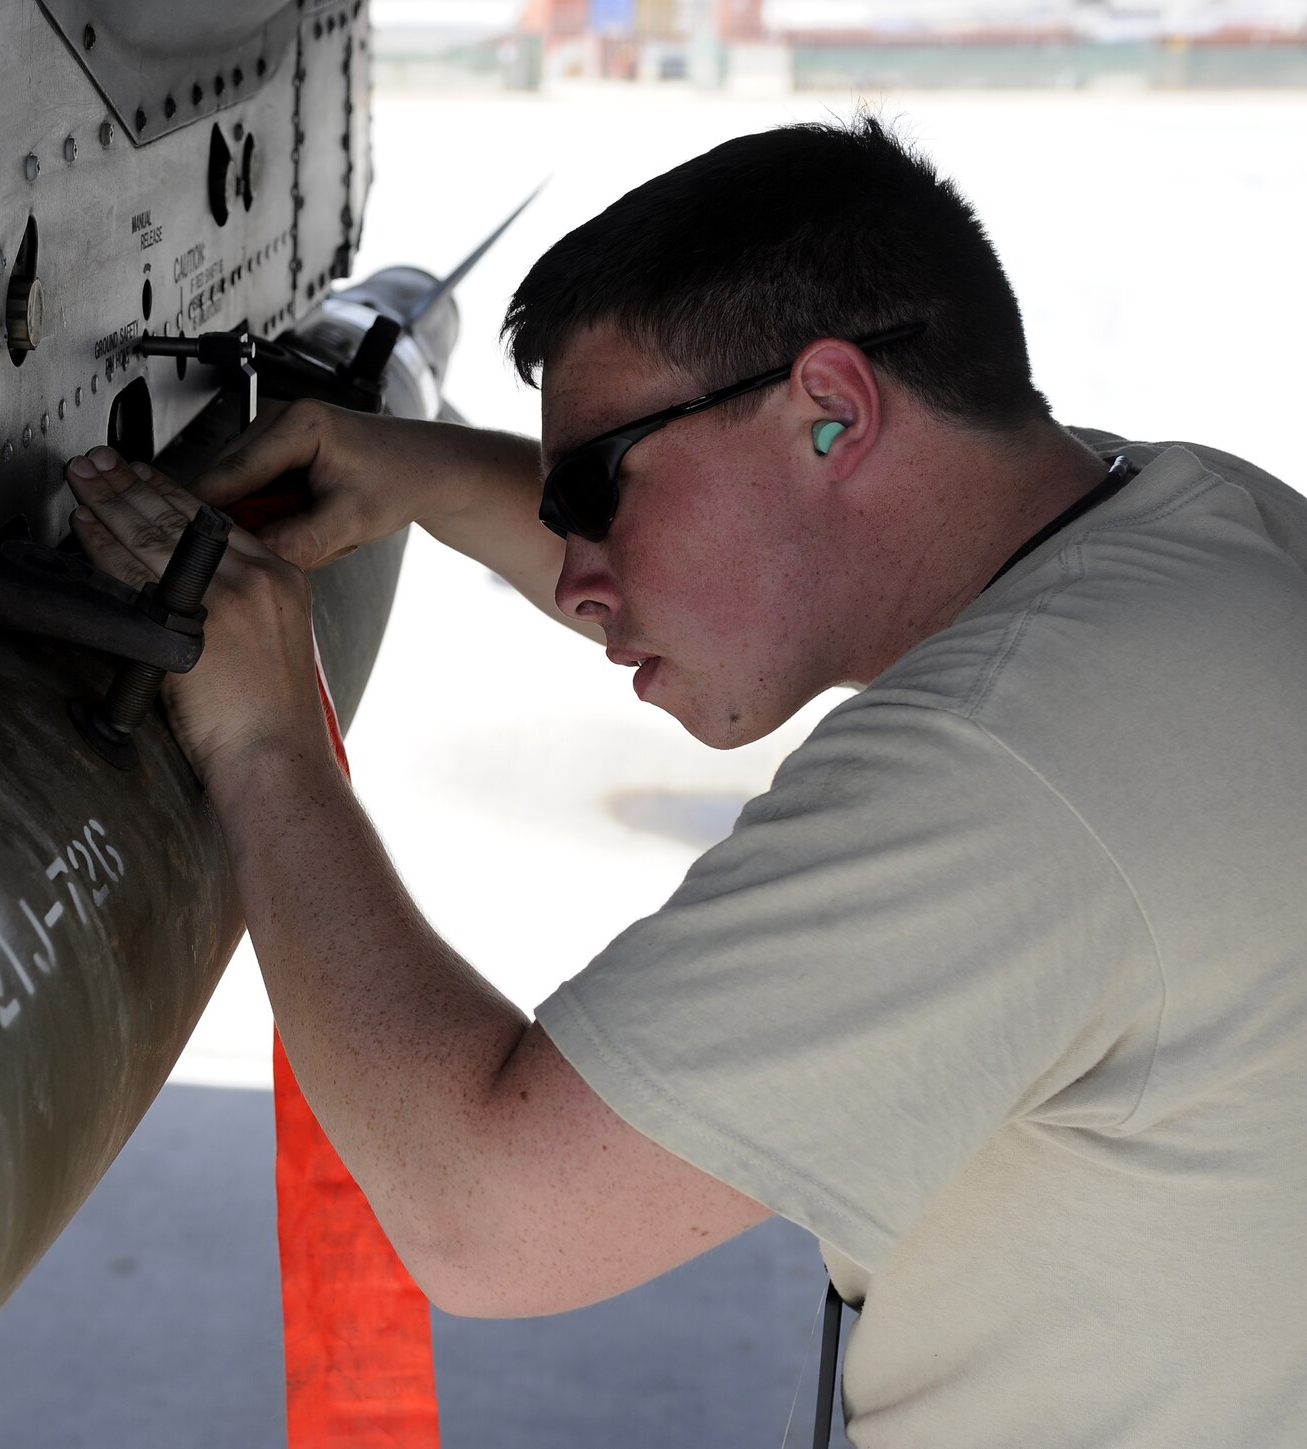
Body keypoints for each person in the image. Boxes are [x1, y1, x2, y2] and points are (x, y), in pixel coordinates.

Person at [64, 116, 1307, 1446]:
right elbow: (749, 573)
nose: (582, 576)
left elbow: (488, 1219)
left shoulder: (1014, 765)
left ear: (832, 413)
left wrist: (266, 745)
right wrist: (420, 476)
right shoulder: (1195, 533)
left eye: (601, 486)